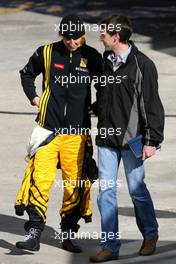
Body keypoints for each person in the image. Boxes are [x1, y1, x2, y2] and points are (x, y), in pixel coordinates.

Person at [14, 14, 102, 253]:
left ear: (82, 36)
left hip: (77, 133)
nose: (71, 42)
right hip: (47, 130)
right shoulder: (46, 52)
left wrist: (95, 107)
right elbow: (26, 73)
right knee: (39, 181)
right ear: (61, 35)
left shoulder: (92, 56)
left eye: (75, 38)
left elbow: (104, 85)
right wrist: (34, 96)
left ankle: (68, 234)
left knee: (74, 185)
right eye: (67, 38)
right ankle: (34, 233)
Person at [90, 14, 165, 262]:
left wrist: (152, 140)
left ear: (116, 36)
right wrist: (95, 107)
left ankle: (150, 234)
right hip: (106, 139)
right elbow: (104, 93)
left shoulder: (143, 65)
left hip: (133, 140)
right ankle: (110, 245)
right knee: (106, 192)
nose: (100, 36)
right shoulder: (105, 61)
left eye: (104, 33)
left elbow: (152, 104)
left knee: (136, 190)